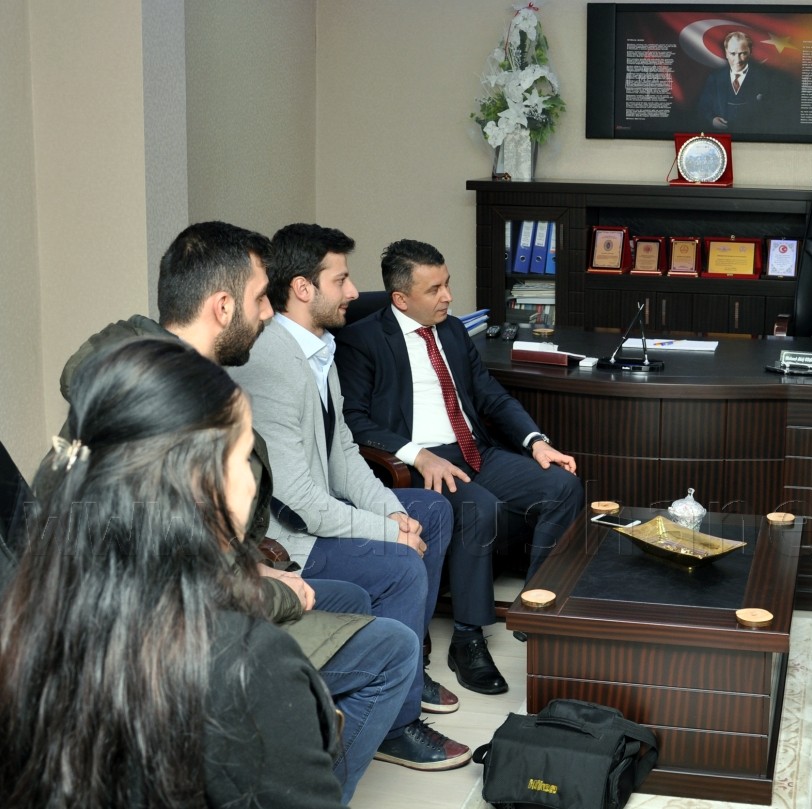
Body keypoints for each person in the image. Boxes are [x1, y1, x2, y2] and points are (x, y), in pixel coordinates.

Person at [58, 222, 442, 798]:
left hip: (193, 600)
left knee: (354, 600)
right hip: (174, 644)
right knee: (392, 646)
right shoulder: (172, 409)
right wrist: (274, 587)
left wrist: (256, 565)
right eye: (262, 298)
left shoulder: (152, 381)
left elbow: (189, 542)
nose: (269, 313)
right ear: (222, 306)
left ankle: (296, 746)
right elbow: (169, 582)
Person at [1, 338, 348, 808]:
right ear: (198, 481)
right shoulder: (245, 664)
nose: (251, 482)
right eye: (242, 457)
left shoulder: (25, 629)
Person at [224, 222, 471, 773]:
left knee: (430, 511)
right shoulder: (271, 362)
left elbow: (344, 455)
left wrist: (394, 513)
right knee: (401, 565)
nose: (355, 292)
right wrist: (389, 533)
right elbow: (297, 498)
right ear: (303, 288)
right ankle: (397, 724)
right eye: (341, 280)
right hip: (290, 538)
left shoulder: (319, 349)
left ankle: (407, 668)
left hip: (321, 510)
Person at [335, 239, 583, 693]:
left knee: (561, 486)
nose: (448, 297)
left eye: (446, 284)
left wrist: (536, 442)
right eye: (434, 290)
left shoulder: (450, 331)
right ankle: (468, 637)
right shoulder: (362, 340)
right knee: (477, 508)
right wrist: (416, 453)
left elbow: (491, 395)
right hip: (417, 462)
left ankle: (535, 608)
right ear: (401, 298)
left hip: (473, 450)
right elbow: (353, 419)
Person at [697, 31, 782, 133]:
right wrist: (712, 120)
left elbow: (774, 110)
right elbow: (704, 105)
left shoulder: (764, 78)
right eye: (733, 54)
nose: (738, 60)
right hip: (723, 135)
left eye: (743, 53)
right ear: (726, 53)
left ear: (750, 52)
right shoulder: (715, 78)